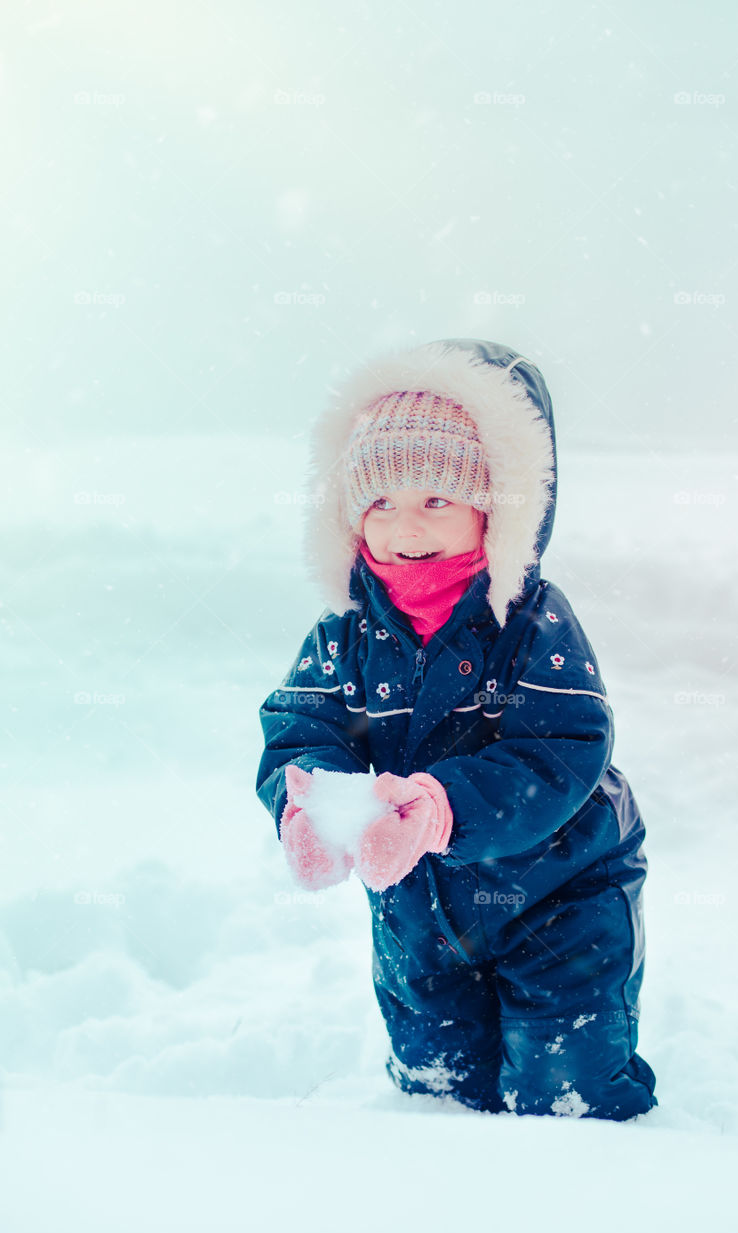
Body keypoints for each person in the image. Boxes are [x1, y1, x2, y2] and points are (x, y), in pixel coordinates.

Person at [256, 337, 658, 1120]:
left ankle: (600, 1201)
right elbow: (301, 724)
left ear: (496, 506)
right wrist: (307, 801)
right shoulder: (341, 634)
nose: (407, 526)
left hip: (559, 895)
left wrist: (447, 804)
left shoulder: (530, 622)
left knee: (564, 1088)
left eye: (436, 498)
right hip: (414, 909)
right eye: (380, 502)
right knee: (437, 1093)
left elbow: (560, 747)